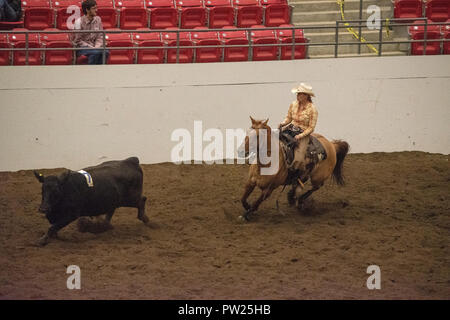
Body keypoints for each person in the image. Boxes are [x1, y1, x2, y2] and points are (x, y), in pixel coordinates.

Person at [279, 83, 318, 174]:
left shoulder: (313, 109)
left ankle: (295, 175)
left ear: (306, 96)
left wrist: (300, 136)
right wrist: (283, 123)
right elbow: (289, 118)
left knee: (298, 158)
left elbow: (311, 128)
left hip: (303, 133)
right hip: (290, 128)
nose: (297, 95)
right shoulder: (293, 104)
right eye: (297, 93)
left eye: (300, 94)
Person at [72, 0, 109, 65]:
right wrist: (92, 48)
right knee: (95, 53)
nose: (96, 10)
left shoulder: (98, 19)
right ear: (87, 10)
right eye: (94, 8)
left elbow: (100, 36)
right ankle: (91, 71)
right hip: (82, 47)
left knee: (106, 52)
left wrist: (96, 47)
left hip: (95, 46)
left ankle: (99, 71)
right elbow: (78, 41)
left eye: (96, 8)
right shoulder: (78, 22)